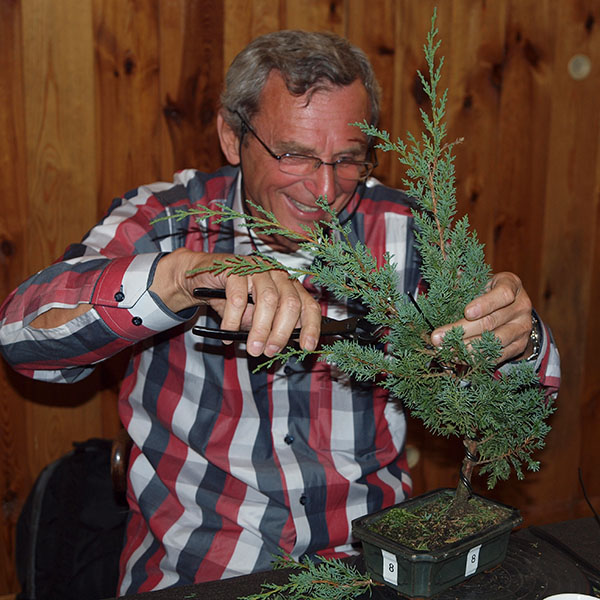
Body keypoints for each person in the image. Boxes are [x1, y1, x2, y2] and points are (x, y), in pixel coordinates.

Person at [0, 30, 560, 594]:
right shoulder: (169, 220)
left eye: (348, 159)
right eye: (294, 154)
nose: (325, 189)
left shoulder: (405, 231)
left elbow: (520, 404)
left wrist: (520, 341)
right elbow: (23, 337)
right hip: (199, 567)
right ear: (232, 135)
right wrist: (181, 278)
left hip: (369, 564)